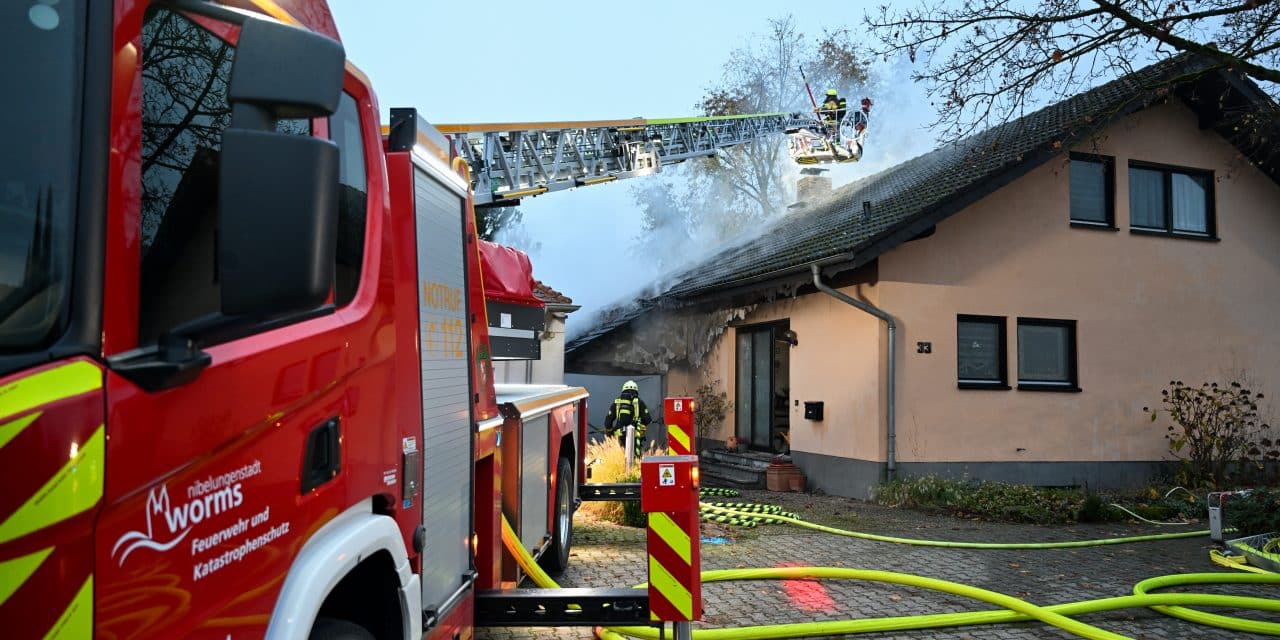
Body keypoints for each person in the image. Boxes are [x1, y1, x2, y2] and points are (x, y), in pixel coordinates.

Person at [605, 380, 651, 452]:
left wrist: (610, 433)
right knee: (634, 457)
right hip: (635, 436)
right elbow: (648, 419)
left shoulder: (617, 402)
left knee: (620, 456)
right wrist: (638, 424)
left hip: (619, 435)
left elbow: (608, 422)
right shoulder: (639, 402)